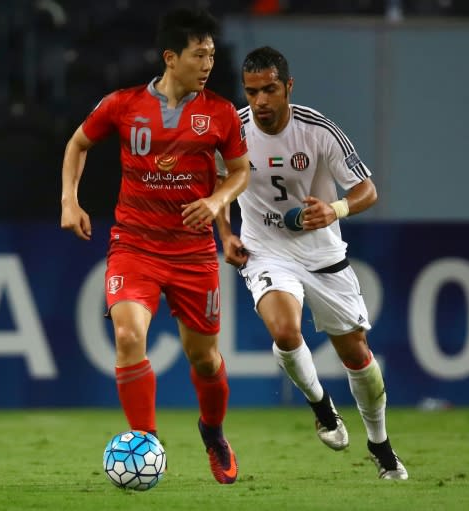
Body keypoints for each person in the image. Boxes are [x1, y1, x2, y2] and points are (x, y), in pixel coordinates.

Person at [60, 8, 250, 485]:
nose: (208, 64)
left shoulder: (222, 113)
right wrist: (70, 201)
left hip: (193, 252)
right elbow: (78, 144)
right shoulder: (123, 105)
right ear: (171, 57)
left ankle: (213, 432)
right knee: (127, 337)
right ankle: (146, 443)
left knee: (204, 357)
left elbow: (242, 172)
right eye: (198, 55)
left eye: (210, 55)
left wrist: (216, 199)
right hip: (135, 245)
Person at [215, 46, 408, 480]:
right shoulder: (235, 130)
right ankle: (322, 408)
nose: (260, 101)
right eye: (251, 92)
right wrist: (226, 235)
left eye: (269, 90)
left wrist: (335, 210)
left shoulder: (318, 131)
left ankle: (379, 443)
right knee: (284, 330)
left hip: (322, 253)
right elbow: (218, 184)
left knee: (358, 356)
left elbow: (367, 189)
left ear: (288, 87)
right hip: (265, 249)